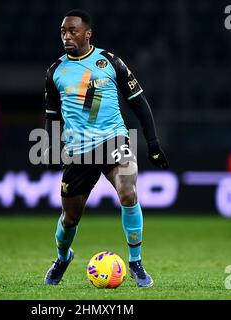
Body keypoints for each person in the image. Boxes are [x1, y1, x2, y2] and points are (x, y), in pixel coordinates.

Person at [43, 9, 169, 287]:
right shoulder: (56, 71)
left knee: (128, 192)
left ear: (87, 33)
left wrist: (153, 143)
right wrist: (51, 148)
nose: (67, 36)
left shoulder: (110, 62)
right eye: (63, 31)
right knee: (70, 218)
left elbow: (139, 102)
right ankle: (62, 258)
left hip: (114, 140)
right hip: (77, 150)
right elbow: (52, 115)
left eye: (72, 31)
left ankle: (135, 262)